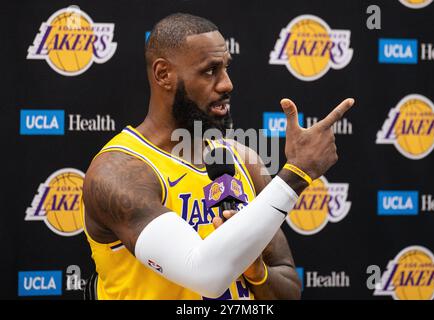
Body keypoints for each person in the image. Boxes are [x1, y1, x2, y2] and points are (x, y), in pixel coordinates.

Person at [82, 13, 355, 300]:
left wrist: (256, 271)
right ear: (163, 74)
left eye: (225, 68)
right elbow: (205, 276)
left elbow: (288, 289)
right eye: (210, 71)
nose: (227, 84)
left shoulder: (243, 160)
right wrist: (296, 175)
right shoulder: (118, 171)